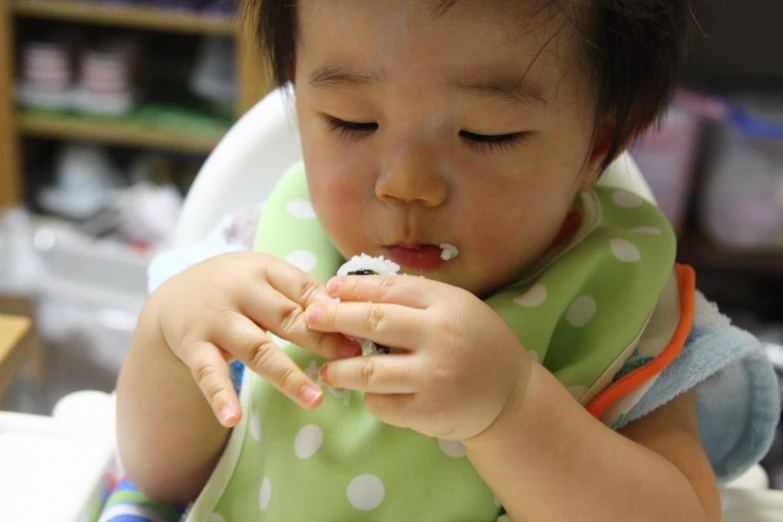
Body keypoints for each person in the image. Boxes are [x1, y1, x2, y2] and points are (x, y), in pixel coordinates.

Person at [106, 1, 780, 521]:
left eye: (485, 133)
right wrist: (169, 335)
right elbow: (158, 479)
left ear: (598, 145)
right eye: (350, 121)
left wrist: (513, 408)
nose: (406, 185)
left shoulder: (618, 311)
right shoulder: (255, 256)